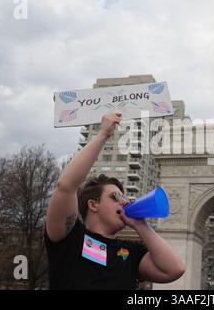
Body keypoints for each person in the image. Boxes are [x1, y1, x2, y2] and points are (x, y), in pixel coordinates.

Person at [45, 111, 185, 289]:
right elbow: (65, 186)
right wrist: (104, 134)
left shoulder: (132, 253)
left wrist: (141, 226)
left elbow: (175, 269)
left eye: (124, 197)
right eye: (115, 197)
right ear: (93, 205)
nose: (124, 201)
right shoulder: (70, 238)